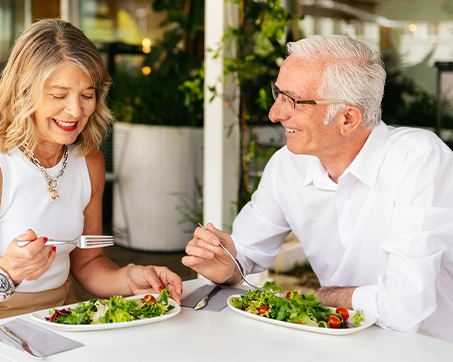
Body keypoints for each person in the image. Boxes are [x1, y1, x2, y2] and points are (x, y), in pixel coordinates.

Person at [182, 35, 453, 342]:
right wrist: (226, 265)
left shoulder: (419, 160)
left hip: (432, 349)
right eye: (278, 93)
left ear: (347, 118)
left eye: (293, 100)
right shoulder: (288, 165)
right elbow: (243, 253)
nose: (274, 113)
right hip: (340, 343)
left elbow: (406, 307)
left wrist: (328, 297)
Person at [0, 19, 183, 330]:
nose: (75, 111)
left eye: (87, 95)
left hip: (58, 320)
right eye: (59, 96)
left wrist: (129, 277)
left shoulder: (89, 162)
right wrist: (7, 272)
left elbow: (88, 263)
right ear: (24, 92)